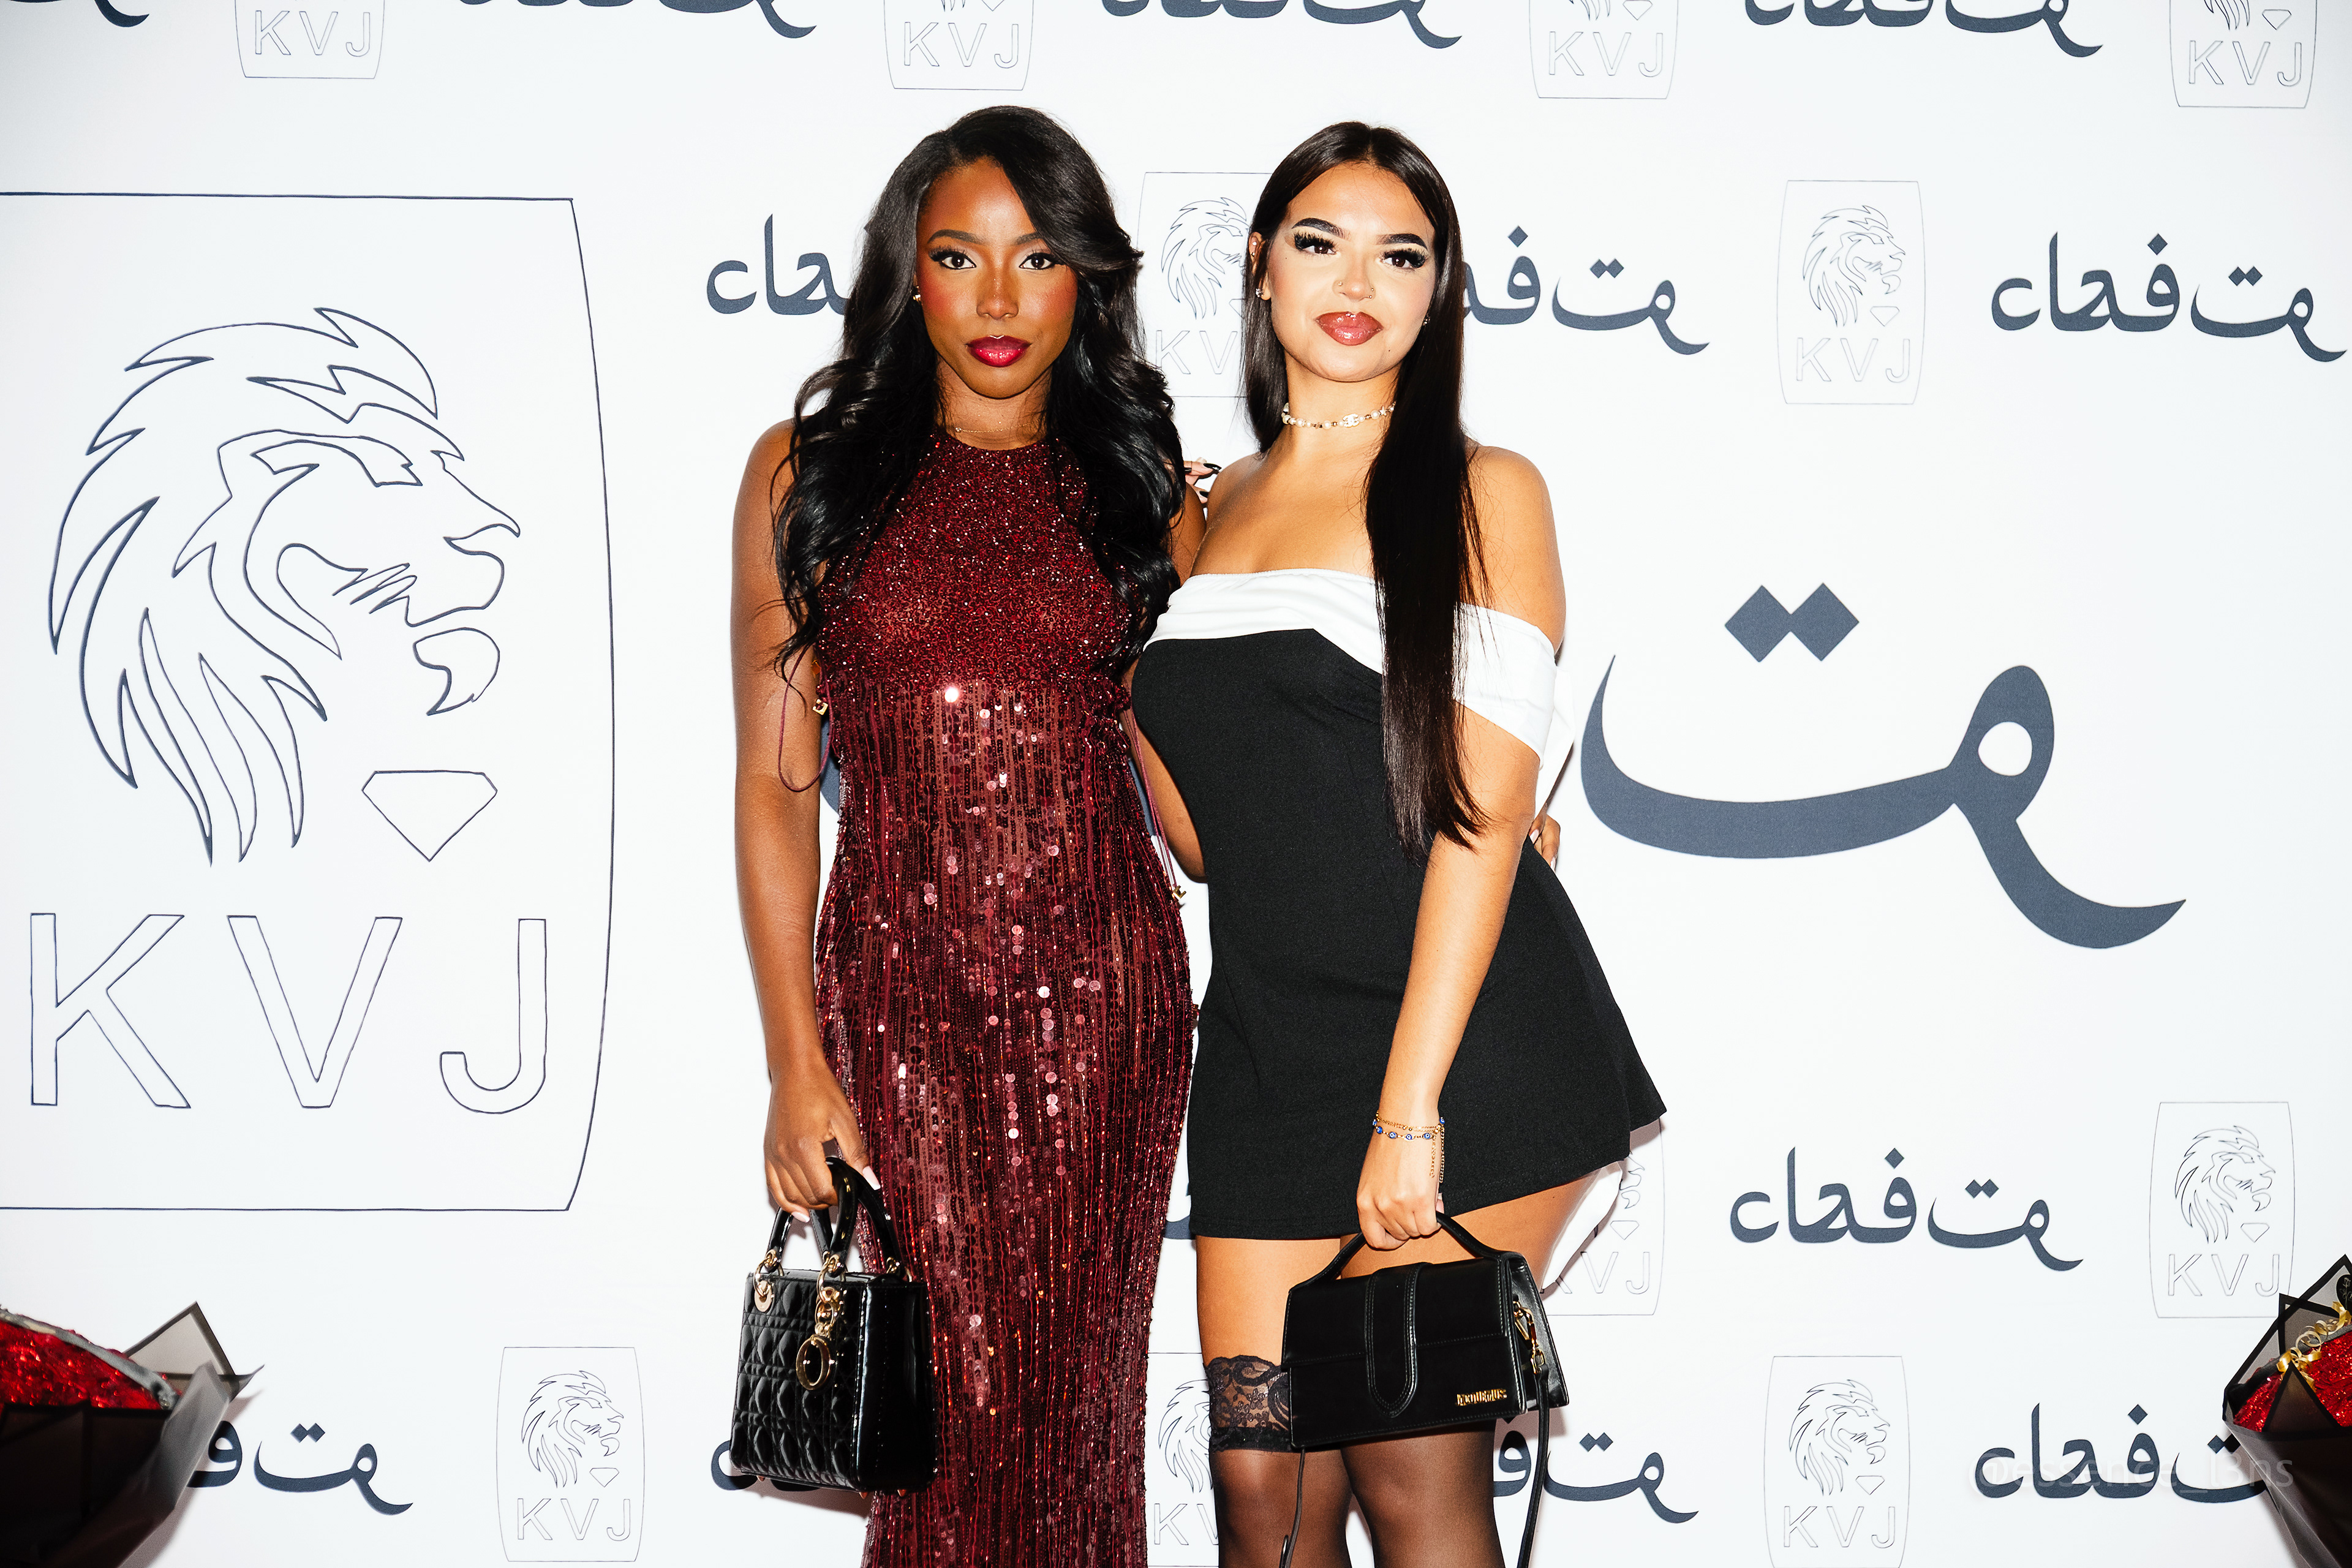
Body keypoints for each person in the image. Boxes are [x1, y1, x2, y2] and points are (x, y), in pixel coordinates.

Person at [1130, 123, 1667, 1567]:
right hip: (1268, 1049)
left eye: (1401, 254)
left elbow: (1483, 819)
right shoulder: (1199, 513)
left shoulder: (1487, 490)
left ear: (1441, 291)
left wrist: (1409, 1109)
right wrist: (1129, 599)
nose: (1356, 283)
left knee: (1410, 1470)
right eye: (1320, 243)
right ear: (1260, 265)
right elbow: (1200, 836)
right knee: (1264, 1501)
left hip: (1467, 1043)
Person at [730, 105, 1200, 1567]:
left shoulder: (1144, 488)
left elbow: (1201, 819)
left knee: (1072, 1430)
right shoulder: (804, 476)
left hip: (1106, 1011)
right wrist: (796, 1062)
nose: (1000, 297)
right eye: (960, 256)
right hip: (897, 1010)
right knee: (940, 1434)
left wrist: (1450, 809)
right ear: (909, 273)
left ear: (1086, 281)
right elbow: (773, 788)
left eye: (1039, 257)